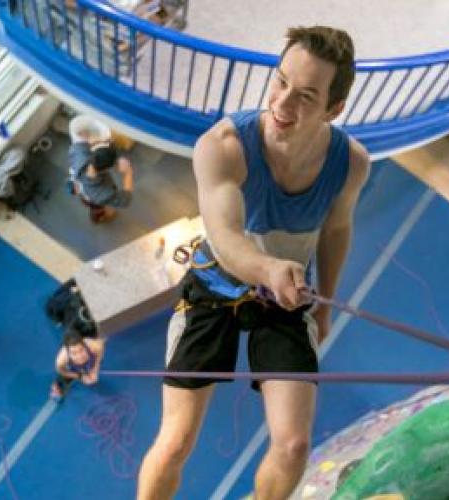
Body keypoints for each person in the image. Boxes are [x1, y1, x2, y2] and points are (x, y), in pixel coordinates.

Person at [137, 26, 369, 500]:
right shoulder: (223, 146)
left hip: (286, 298)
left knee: (293, 445)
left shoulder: (351, 163)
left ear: (334, 109)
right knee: (177, 440)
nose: (283, 104)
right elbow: (225, 238)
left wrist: (325, 306)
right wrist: (268, 269)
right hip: (215, 289)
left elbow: (337, 228)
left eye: (306, 96)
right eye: (281, 81)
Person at [68, 136, 135, 224]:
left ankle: (95, 214)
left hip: (84, 194)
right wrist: (128, 171)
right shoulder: (103, 195)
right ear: (107, 169)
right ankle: (98, 218)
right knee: (96, 207)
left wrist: (102, 141)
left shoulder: (77, 151)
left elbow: (83, 143)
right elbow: (125, 199)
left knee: (91, 204)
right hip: (92, 198)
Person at [49, 327, 106, 402]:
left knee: (90, 367)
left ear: (84, 345)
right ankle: (56, 387)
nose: (79, 356)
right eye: (74, 353)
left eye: (81, 350)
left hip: (89, 361)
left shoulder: (94, 345)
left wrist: (95, 369)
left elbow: (100, 354)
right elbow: (62, 372)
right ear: (68, 351)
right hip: (73, 367)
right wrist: (80, 376)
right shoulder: (61, 360)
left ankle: (88, 370)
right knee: (63, 378)